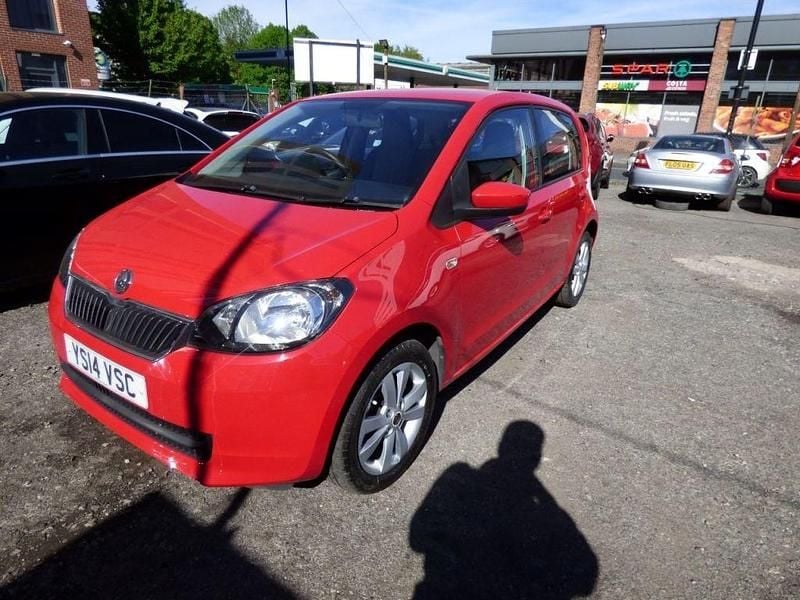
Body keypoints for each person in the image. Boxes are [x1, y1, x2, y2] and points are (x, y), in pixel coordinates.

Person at [410, 421, 598, 599]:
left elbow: (418, 538)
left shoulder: (460, 477)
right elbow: (585, 578)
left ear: (501, 447)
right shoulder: (541, 511)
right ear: (537, 459)